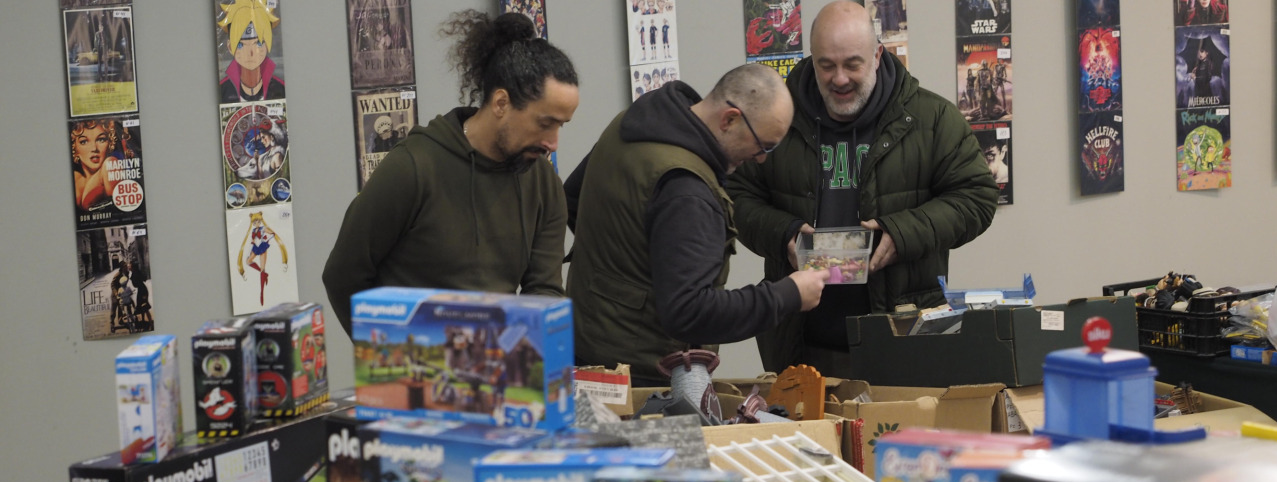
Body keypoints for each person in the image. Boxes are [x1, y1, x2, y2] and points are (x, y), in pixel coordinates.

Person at [726, 1, 998, 374]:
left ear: (878, 55)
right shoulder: (778, 119)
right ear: (812, 59)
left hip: (906, 339)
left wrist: (901, 234)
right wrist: (783, 234)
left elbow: (977, 197)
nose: (839, 79)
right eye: (826, 65)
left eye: (852, 64)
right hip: (802, 344)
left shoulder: (932, 119)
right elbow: (735, 196)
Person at [564, 63, 829, 386]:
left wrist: (625, 274)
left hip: (583, 347)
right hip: (641, 375)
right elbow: (690, 312)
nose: (761, 159)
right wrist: (787, 295)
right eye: (763, 146)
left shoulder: (631, 124)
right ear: (730, 119)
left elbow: (573, 199)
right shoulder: (688, 190)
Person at [323, 11, 578, 336]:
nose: (553, 143)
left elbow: (544, 291)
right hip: (411, 360)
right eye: (544, 123)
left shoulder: (544, 185)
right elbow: (343, 275)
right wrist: (387, 349)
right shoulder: (412, 168)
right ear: (501, 103)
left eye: (561, 125)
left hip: (499, 361)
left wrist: (513, 351)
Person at [217, 0, 285, 103]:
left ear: (267, 44)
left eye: (258, 43)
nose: (251, 53)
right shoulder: (224, 90)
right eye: (241, 45)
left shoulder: (279, 88)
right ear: (230, 47)